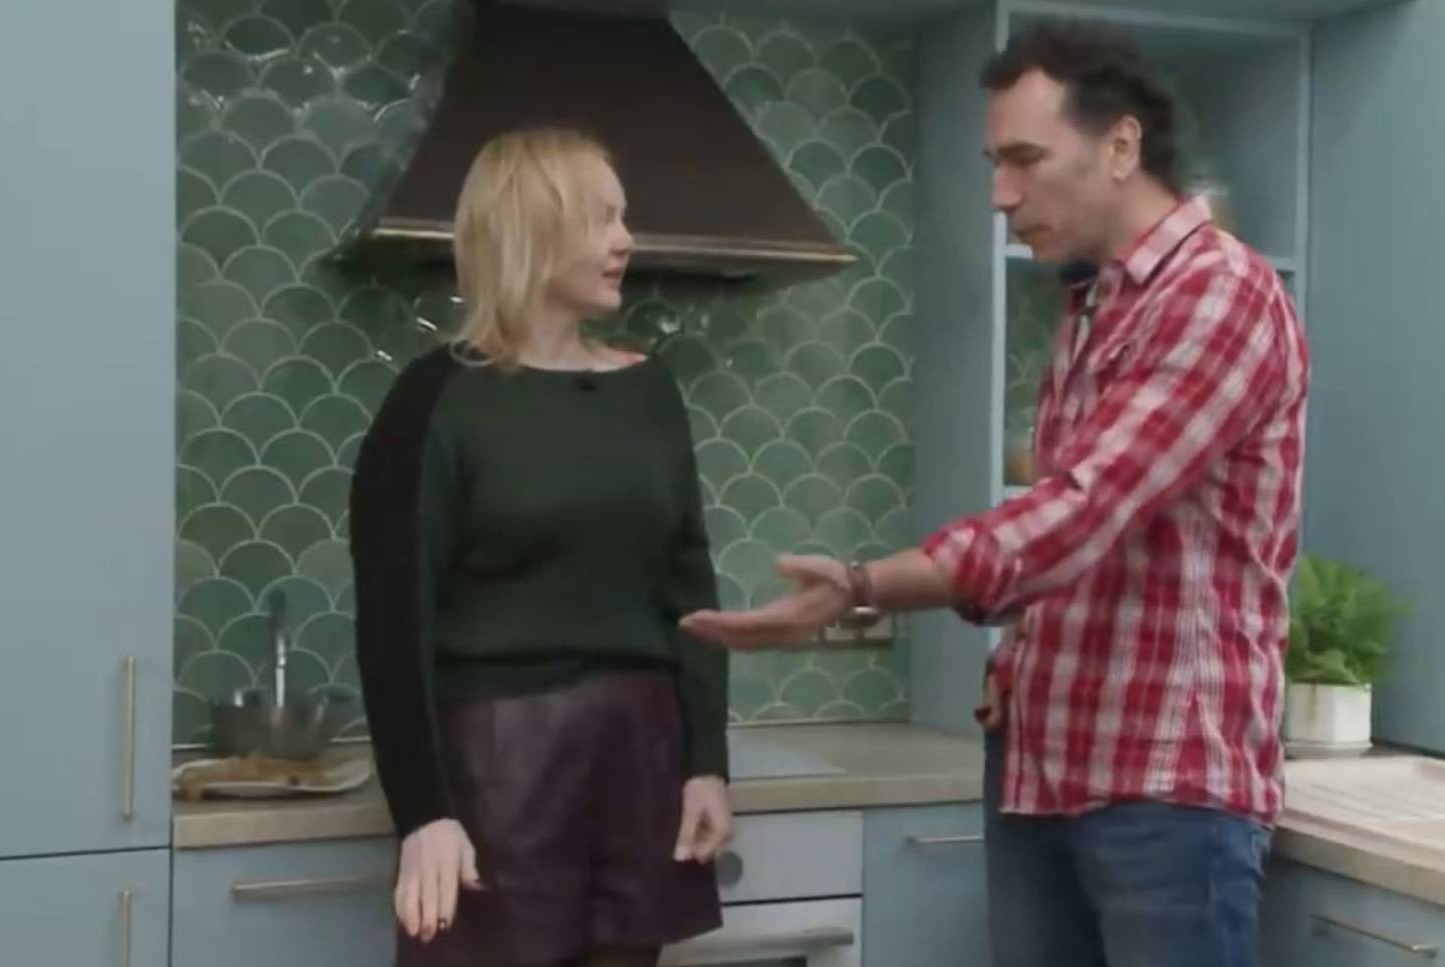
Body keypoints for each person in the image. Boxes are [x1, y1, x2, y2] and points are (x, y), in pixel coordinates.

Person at [680, 24, 1308, 967]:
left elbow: (1081, 513)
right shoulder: (1096, 306)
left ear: (1120, 145)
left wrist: (866, 582)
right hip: (1042, 768)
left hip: (1165, 786)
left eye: (1025, 158)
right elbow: (1069, 549)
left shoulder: (1220, 293)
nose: (1000, 193)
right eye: (994, 163)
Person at [349, 127, 731, 967]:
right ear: (527, 230)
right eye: (600, 218)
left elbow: (689, 590)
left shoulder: (651, 392)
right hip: (498, 772)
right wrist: (423, 811)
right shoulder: (434, 399)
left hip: (641, 760)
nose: (625, 239)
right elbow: (393, 623)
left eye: (622, 216)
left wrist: (707, 761)